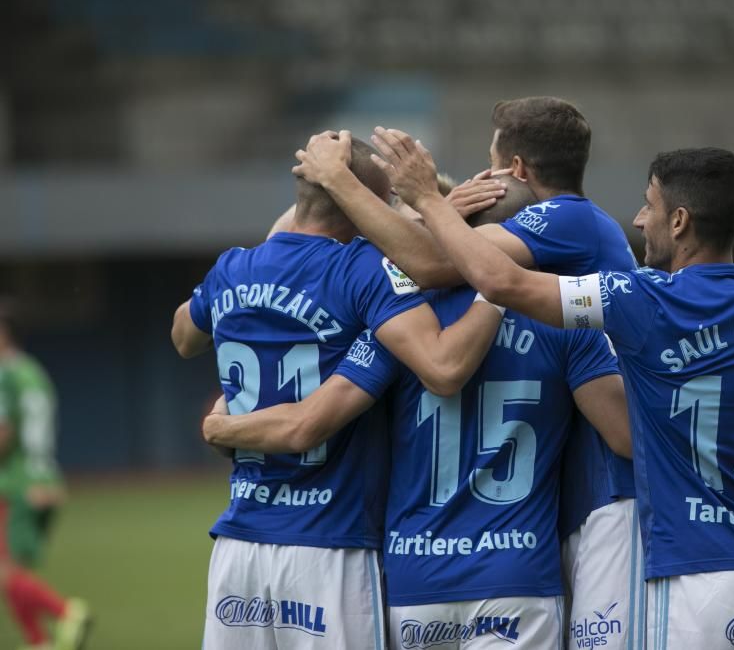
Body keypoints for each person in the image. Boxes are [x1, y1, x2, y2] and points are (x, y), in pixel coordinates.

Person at [367, 128, 734, 649]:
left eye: (649, 207)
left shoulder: (642, 299)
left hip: (703, 575)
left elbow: (502, 282)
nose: (640, 221)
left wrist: (425, 198)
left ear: (680, 221)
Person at [202, 180, 632, 649]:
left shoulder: (400, 325)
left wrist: (227, 423)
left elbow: (311, 415)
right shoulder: (567, 328)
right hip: (518, 574)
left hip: (415, 577)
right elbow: (625, 436)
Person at [293, 97, 645, 649]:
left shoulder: (564, 220)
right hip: (556, 516)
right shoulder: (564, 251)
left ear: (517, 170)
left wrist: (376, 189)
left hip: (606, 499)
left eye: (492, 161)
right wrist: (442, 209)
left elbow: (431, 265)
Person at [170, 136, 506, 650]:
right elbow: (442, 360)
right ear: (363, 206)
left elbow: (183, 337)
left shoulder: (233, 266)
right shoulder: (363, 271)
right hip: (330, 543)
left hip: (239, 544)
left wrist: (224, 421)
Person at [0, 305, 89, 650]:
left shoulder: (6, 374)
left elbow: (5, 433)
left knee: (6, 573)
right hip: (46, 478)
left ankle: (66, 612)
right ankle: (38, 642)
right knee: (15, 572)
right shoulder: (32, 372)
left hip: (17, 483)